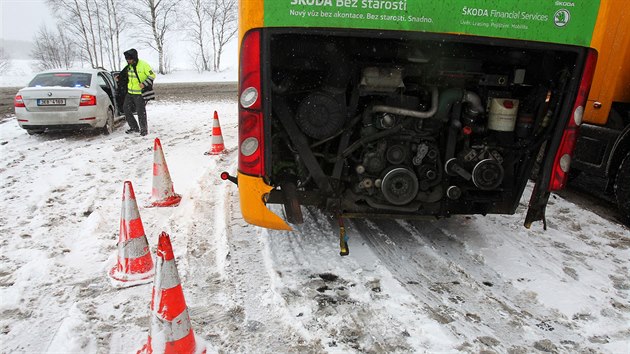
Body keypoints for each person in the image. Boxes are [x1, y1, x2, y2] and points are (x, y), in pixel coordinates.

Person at [122, 48, 155, 136]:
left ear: (134, 58)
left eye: (130, 59)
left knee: (141, 112)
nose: (128, 61)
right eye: (127, 60)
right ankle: (134, 127)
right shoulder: (128, 66)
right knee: (126, 109)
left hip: (139, 94)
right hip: (130, 92)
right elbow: (125, 76)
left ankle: (144, 130)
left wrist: (144, 84)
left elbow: (152, 75)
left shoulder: (144, 65)